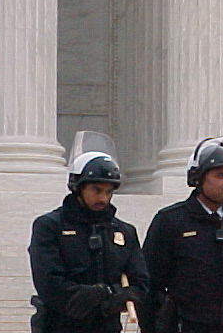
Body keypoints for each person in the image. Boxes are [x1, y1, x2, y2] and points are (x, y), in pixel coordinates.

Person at [139, 136, 223, 333]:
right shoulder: (170, 221)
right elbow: (149, 283)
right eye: (220, 175)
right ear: (199, 178)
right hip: (189, 326)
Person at [28, 131, 149, 333]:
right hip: (59, 326)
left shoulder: (124, 232)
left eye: (108, 191)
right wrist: (98, 295)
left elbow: (140, 283)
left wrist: (118, 296)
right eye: (96, 189)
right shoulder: (49, 226)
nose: (103, 198)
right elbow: (49, 283)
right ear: (78, 187)